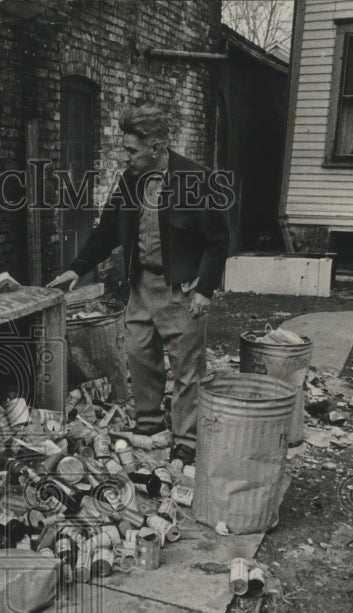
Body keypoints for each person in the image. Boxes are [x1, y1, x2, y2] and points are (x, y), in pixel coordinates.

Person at [48, 103, 229, 465]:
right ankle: (149, 426)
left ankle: (187, 442)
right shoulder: (130, 181)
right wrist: (77, 267)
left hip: (181, 289)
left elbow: (218, 239)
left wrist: (206, 288)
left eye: (132, 150)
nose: (126, 157)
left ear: (157, 147)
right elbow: (107, 231)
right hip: (141, 285)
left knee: (186, 369)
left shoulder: (195, 179)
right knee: (140, 356)